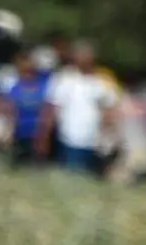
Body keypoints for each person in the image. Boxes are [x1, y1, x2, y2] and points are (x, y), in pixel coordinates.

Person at [44, 41, 118, 175]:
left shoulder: (103, 81)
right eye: (80, 55)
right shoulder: (64, 78)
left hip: (94, 142)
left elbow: (110, 110)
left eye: (87, 56)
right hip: (68, 139)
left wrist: (108, 135)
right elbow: (53, 108)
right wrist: (45, 135)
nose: (83, 59)